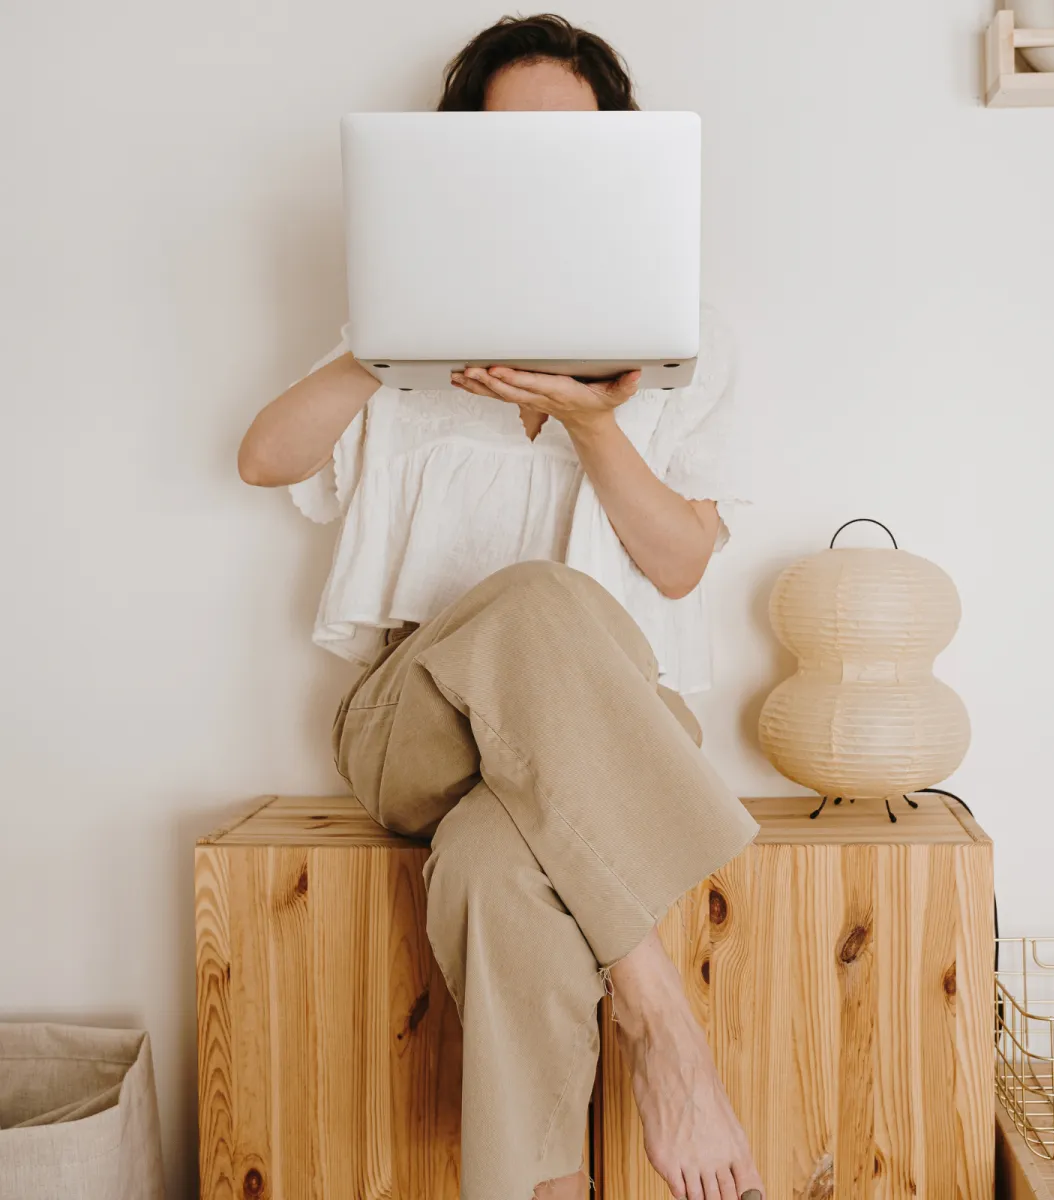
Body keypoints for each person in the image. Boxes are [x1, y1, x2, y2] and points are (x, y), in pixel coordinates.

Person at [237, 14, 763, 1200]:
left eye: (567, 142)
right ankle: (663, 1025)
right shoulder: (394, 341)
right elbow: (263, 459)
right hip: (413, 729)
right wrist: (389, 340)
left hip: (608, 745)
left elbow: (678, 567)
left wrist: (594, 420)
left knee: (491, 865)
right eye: (506, 139)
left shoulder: (687, 340)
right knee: (530, 599)